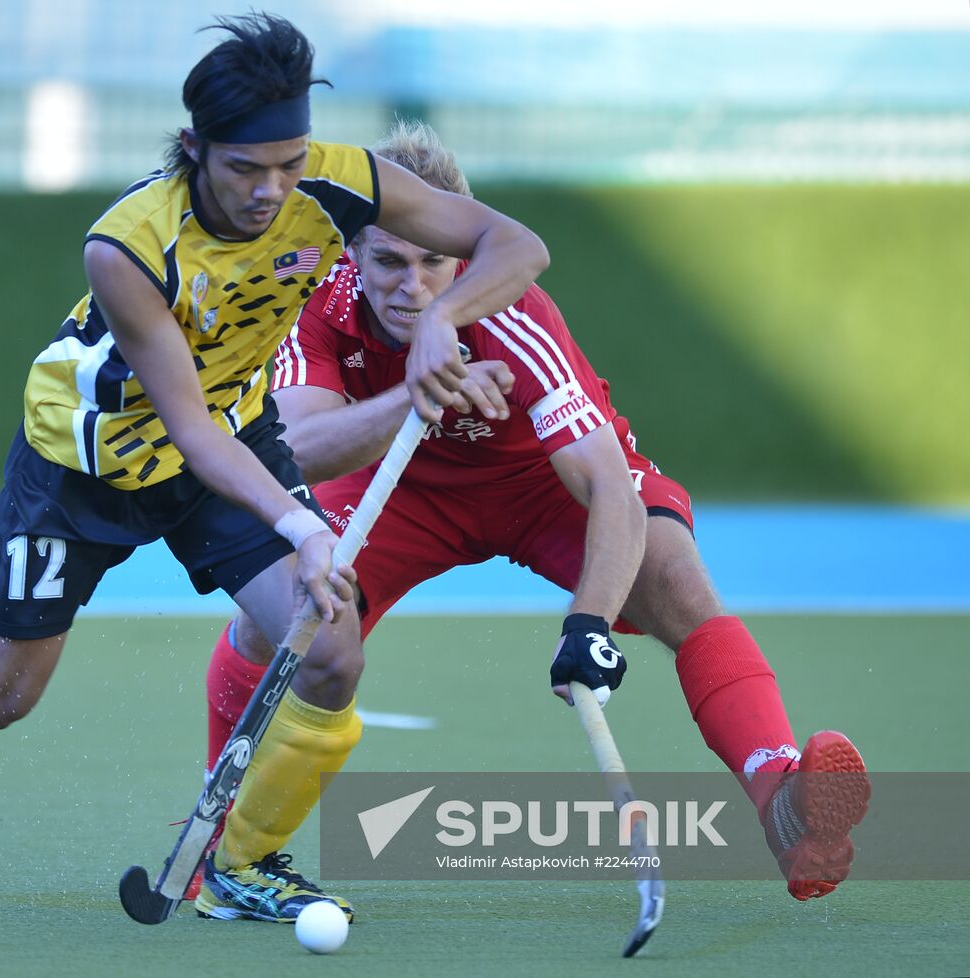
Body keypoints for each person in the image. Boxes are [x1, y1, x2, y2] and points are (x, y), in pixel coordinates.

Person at [0, 11, 550, 920]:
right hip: (89, 463)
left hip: (233, 430)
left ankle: (242, 865)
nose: (271, 191)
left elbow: (517, 244)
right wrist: (302, 524)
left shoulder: (340, 182)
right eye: (245, 169)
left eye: (289, 164)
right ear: (195, 148)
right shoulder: (128, 247)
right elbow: (191, 435)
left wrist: (443, 318)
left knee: (330, 651)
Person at [193, 120, 869, 922]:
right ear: (353, 254)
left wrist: (590, 623)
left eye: (434, 262)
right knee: (292, 613)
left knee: (676, 581)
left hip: (538, 485)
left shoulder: (515, 311)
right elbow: (299, 448)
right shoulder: (315, 299)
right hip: (397, 485)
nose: (413, 287)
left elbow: (609, 486)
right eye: (389, 262)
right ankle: (219, 840)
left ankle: (781, 801)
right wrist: (416, 394)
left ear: (462, 253)